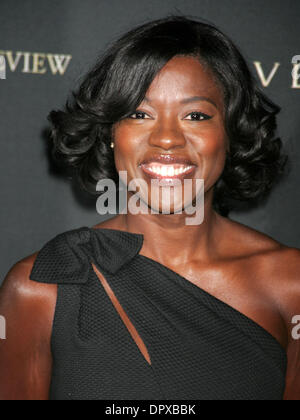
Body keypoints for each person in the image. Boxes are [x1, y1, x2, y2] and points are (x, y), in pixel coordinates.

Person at [0, 15, 299, 401]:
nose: (167, 139)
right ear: (110, 134)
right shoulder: (43, 287)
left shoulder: (290, 284)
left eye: (196, 115)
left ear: (231, 132)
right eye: (139, 114)